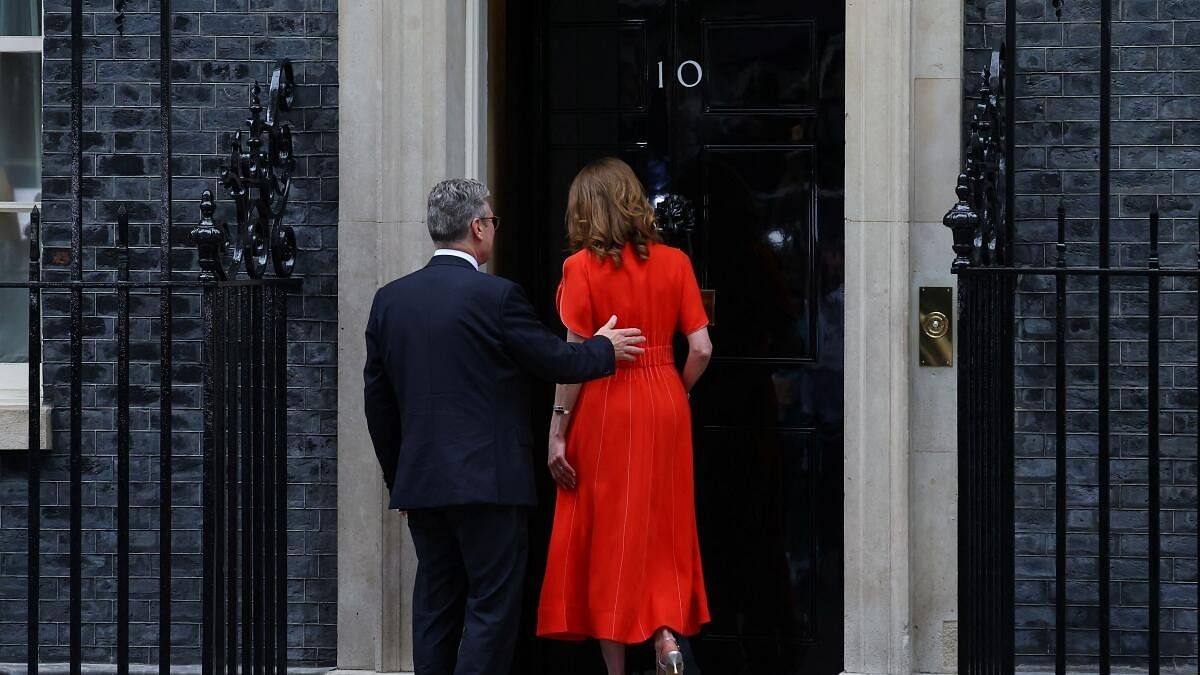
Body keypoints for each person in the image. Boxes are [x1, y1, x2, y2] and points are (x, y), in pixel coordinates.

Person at [363, 178, 647, 675]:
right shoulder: (496, 297)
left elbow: (378, 405)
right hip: (491, 485)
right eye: (492, 220)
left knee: (435, 605)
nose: (493, 227)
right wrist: (604, 346)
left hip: (424, 484)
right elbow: (555, 360)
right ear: (477, 227)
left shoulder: (391, 301)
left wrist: (400, 477)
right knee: (490, 610)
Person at [536, 158, 713, 675]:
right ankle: (663, 635)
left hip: (605, 401)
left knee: (610, 534)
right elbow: (701, 347)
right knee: (660, 529)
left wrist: (556, 430)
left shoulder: (580, 269)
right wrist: (674, 392)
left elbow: (572, 360)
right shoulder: (675, 262)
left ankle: (617, 671)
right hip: (665, 400)